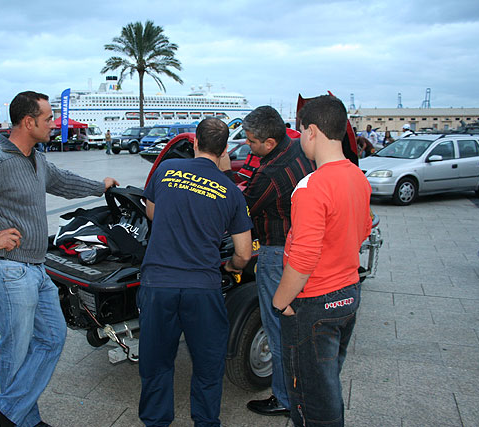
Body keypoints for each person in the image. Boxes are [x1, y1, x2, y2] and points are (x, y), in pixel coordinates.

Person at [0, 91, 119, 427]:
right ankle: (19, 418)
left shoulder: (35, 158)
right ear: (28, 122)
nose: (54, 123)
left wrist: (101, 186)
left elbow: (64, 181)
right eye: (49, 118)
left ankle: (11, 413)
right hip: (9, 270)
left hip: (36, 268)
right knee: (16, 350)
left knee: (52, 337)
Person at [138, 118, 253, 426]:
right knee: (207, 364)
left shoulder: (165, 170)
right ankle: (205, 421)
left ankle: (156, 421)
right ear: (225, 149)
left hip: (158, 284)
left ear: (196, 144)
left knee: (156, 361)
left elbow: (150, 209)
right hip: (202, 288)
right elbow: (244, 252)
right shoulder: (231, 191)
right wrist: (230, 266)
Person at [272, 95, 372, 426]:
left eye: (300, 133)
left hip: (314, 304)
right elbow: (362, 230)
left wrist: (281, 301)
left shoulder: (311, 186)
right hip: (348, 294)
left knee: (310, 399)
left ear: (312, 131)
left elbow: (303, 258)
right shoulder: (357, 176)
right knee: (327, 384)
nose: (300, 141)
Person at [240, 106, 314, 417]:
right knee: (298, 326)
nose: (247, 146)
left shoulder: (270, 174)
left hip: (276, 251)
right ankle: (306, 389)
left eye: (252, 142)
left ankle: (285, 397)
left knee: (277, 327)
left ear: (269, 143)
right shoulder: (299, 148)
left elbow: (244, 210)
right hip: (303, 244)